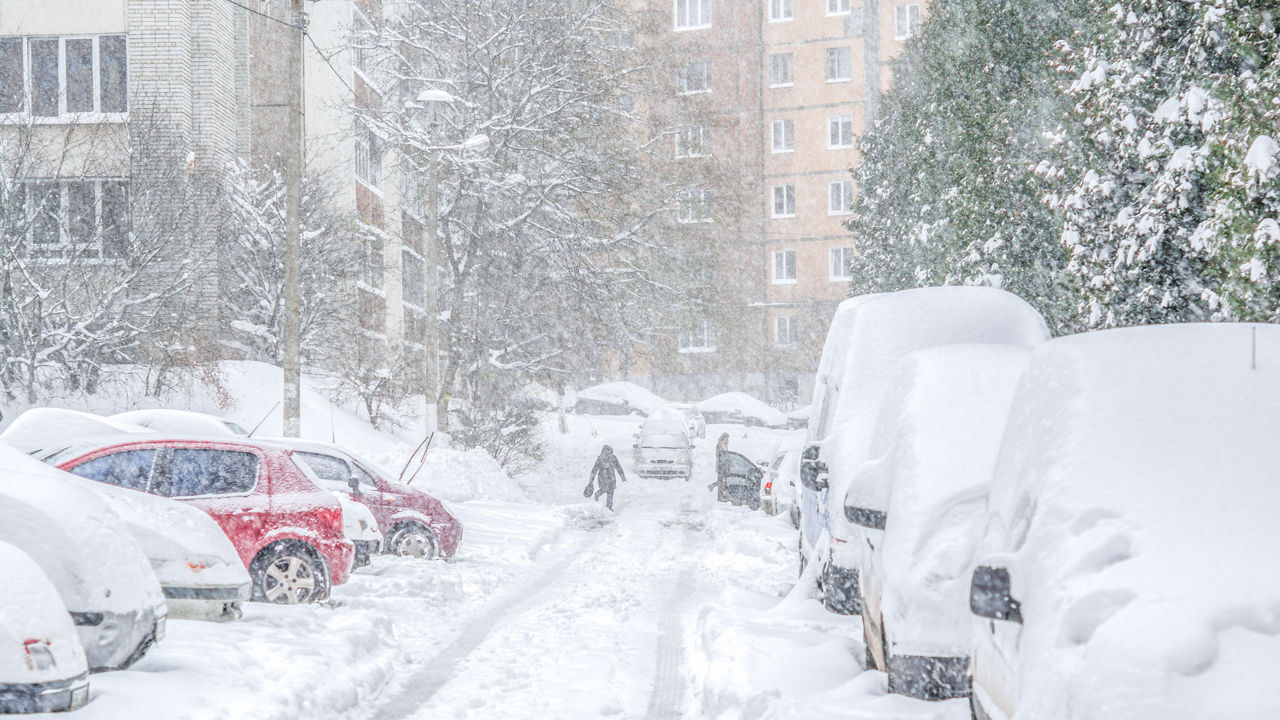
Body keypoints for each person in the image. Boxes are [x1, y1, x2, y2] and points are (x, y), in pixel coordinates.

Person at [585, 444, 626, 511]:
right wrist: (623, 477)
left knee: (610, 491)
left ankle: (609, 507)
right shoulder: (606, 458)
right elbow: (619, 468)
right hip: (605, 477)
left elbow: (594, 470)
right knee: (607, 489)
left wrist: (591, 479)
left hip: (606, 477)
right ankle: (598, 494)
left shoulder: (605, 458)